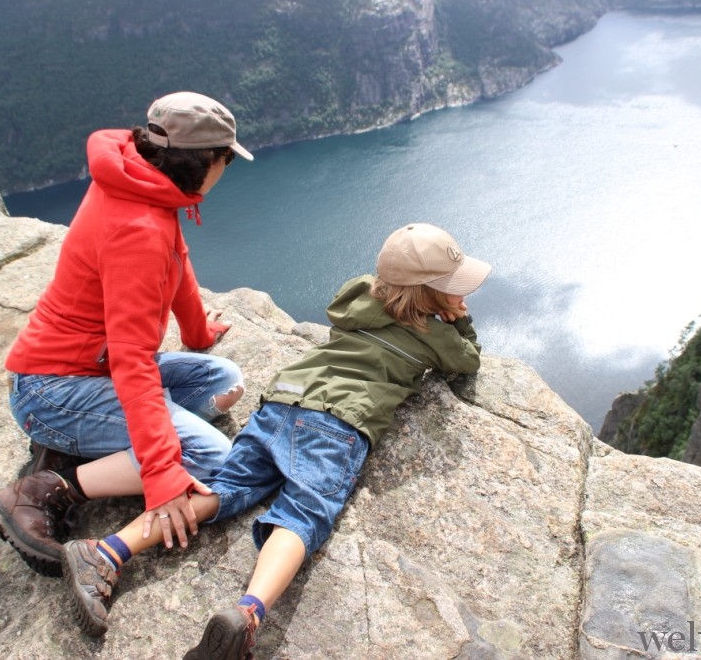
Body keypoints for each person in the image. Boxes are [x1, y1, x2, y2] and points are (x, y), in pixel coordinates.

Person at [58, 223, 492, 659]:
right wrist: (461, 320)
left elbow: (374, 289)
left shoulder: (358, 299)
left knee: (224, 488)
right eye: (452, 288)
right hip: (336, 424)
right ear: (428, 294)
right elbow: (466, 362)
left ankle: (108, 550)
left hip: (281, 403)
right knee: (303, 514)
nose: (460, 295)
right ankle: (247, 614)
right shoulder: (433, 336)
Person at [0, 91, 254, 578]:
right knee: (213, 459)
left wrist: (197, 332)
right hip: (53, 389)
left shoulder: (139, 181)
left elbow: (178, 258)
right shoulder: (138, 229)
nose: (227, 167)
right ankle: (47, 488)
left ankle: (91, 440)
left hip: (87, 369)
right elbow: (133, 360)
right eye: (226, 158)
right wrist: (163, 472)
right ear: (206, 160)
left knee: (220, 379)